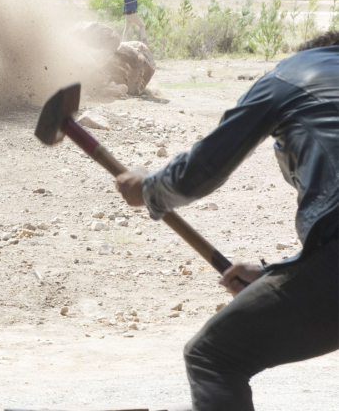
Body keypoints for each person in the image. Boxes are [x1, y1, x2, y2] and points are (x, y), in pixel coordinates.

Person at [115, 31, 338, 411]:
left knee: (212, 356)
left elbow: (204, 168)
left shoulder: (289, 76)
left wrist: (148, 188)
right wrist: (276, 273)